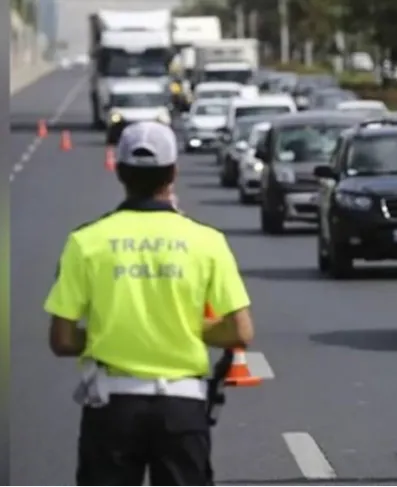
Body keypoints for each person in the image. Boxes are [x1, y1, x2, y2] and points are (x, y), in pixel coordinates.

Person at [44, 120, 255, 487]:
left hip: (111, 407)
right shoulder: (207, 242)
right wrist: (186, 329)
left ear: (120, 172)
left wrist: (110, 334)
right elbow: (241, 332)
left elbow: (61, 340)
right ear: (173, 172)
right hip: (182, 408)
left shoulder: (85, 242)